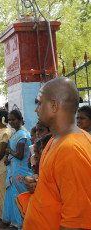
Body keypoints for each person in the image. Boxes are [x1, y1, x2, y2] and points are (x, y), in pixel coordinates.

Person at [23, 77, 91, 229]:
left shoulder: (71, 149)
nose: (36, 109)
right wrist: (39, 182)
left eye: (40, 103)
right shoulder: (56, 140)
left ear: (54, 105)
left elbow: (75, 223)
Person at [2, 109, 33, 229]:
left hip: (20, 171)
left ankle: (20, 222)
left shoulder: (22, 134)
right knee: (12, 195)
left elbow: (20, 155)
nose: (11, 122)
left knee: (18, 196)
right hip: (13, 169)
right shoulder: (15, 133)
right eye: (9, 120)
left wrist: (9, 152)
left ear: (20, 120)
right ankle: (14, 221)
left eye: (13, 119)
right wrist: (8, 157)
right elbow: (13, 152)